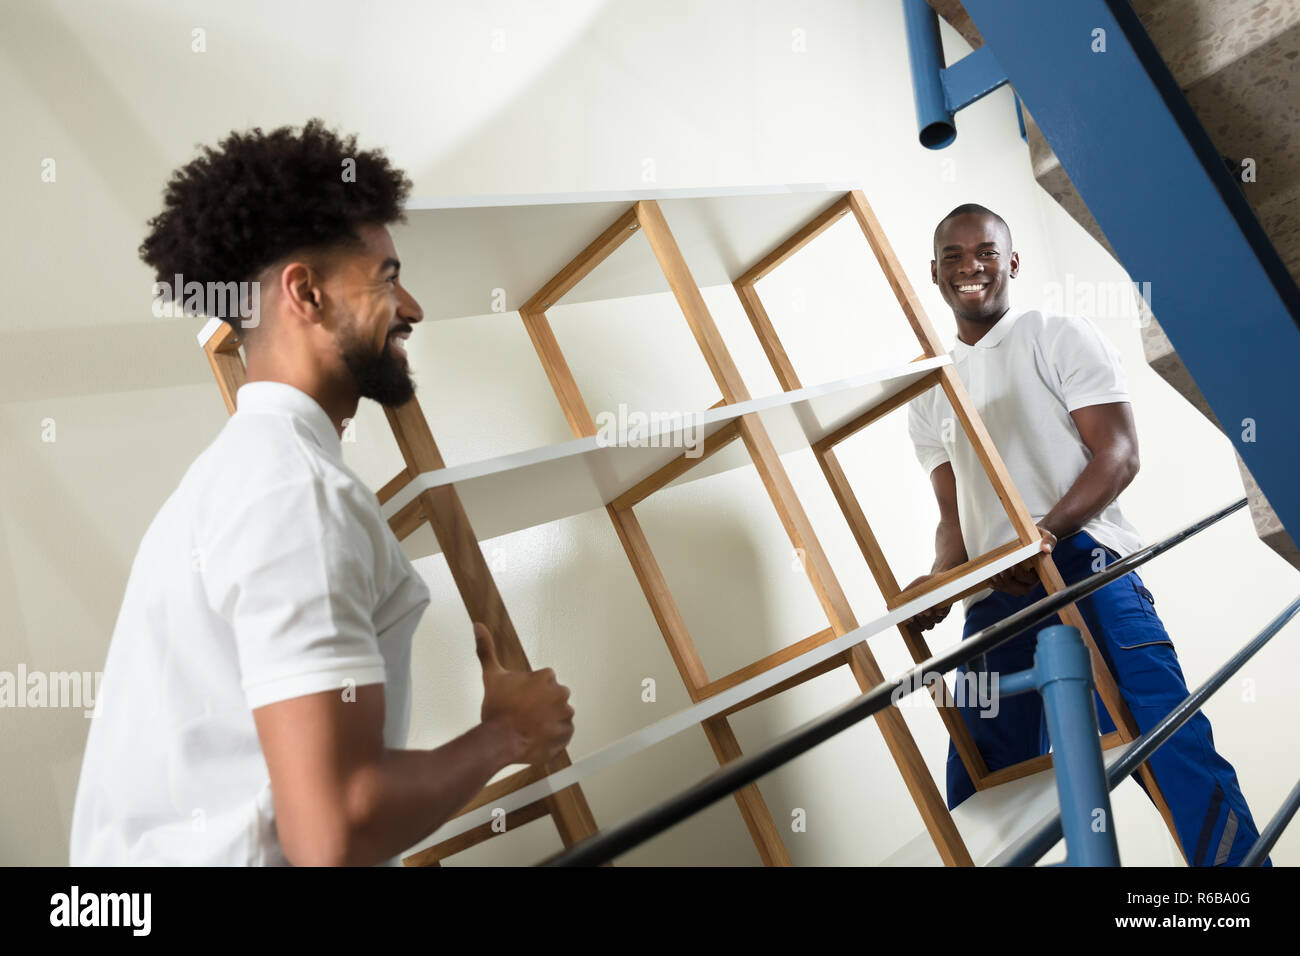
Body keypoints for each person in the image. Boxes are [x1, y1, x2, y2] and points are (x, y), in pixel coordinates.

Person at [70, 120, 575, 866]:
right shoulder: (293, 494)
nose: (413, 308)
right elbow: (333, 830)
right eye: (387, 277)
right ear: (305, 292)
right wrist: (509, 735)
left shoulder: (244, 476)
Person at [903, 203, 1267, 866]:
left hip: (1085, 562)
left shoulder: (1056, 333)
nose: (970, 266)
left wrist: (1043, 532)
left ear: (1011, 261)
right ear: (934, 272)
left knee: (1163, 739)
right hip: (993, 598)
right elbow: (955, 523)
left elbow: (1119, 454)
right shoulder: (930, 392)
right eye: (953, 257)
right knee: (978, 782)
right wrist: (936, 582)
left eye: (984, 250)